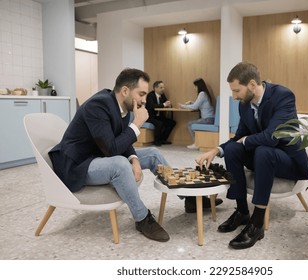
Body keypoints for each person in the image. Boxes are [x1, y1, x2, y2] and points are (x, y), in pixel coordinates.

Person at [195, 62, 308, 249]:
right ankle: (242, 211)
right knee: (233, 149)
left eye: (236, 91)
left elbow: (272, 137)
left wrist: (246, 140)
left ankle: (257, 224)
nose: (234, 97)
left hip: (288, 161)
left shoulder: (283, 96)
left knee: (264, 150)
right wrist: (216, 150)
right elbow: (240, 137)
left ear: (251, 85)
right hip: (262, 156)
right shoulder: (244, 105)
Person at [49, 68, 170, 242]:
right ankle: (142, 218)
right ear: (125, 91)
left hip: (98, 156)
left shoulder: (122, 107)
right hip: (78, 164)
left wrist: (134, 159)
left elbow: (121, 140)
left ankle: (185, 194)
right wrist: (136, 123)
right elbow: (112, 149)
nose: (144, 100)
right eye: (141, 94)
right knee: (120, 165)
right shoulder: (97, 106)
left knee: (153, 153)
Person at [179, 78, 215, 149]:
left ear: (198, 86)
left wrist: (182, 106)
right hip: (210, 119)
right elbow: (198, 104)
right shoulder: (205, 93)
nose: (195, 88)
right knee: (192, 123)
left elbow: (195, 107)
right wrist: (191, 102)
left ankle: (196, 143)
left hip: (208, 119)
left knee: (190, 124)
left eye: (195, 86)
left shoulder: (202, 94)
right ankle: (197, 142)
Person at [145, 81, 176, 146]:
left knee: (172, 122)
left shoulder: (162, 95)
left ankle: (163, 139)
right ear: (155, 88)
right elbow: (151, 106)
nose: (163, 89)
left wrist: (168, 104)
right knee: (159, 123)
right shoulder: (150, 95)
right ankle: (156, 141)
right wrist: (164, 104)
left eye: (163, 87)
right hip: (150, 117)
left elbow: (165, 102)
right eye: (161, 87)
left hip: (159, 116)